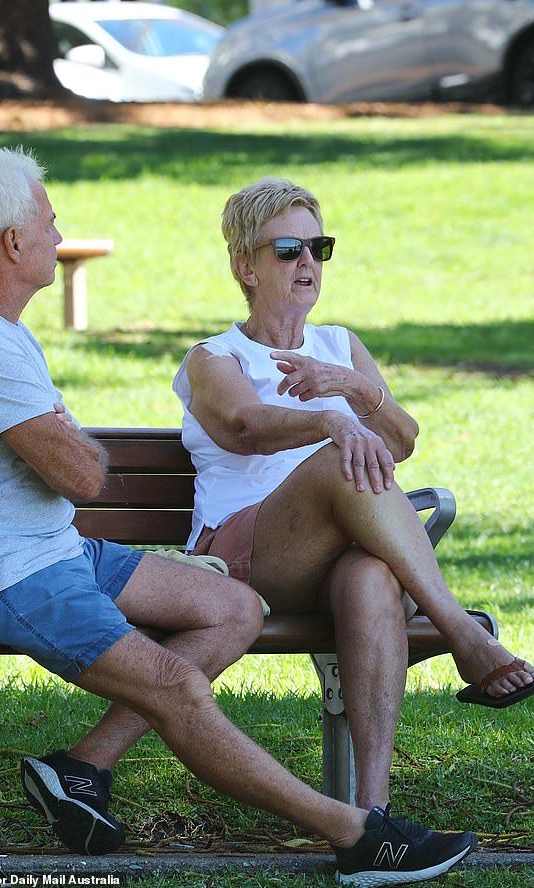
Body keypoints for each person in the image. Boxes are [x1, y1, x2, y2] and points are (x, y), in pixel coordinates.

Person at [0, 149, 478, 888]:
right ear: (14, 243)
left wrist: (58, 432)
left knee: (231, 608)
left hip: (50, 547)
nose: (57, 235)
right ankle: (355, 834)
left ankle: (80, 768)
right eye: (50, 223)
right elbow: (80, 474)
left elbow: (64, 459)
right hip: (7, 571)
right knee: (175, 687)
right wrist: (62, 438)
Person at [172, 176, 534, 811]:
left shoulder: (340, 346)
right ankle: (461, 632)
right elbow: (244, 427)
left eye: (319, 247)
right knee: (341, 461)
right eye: (288, 249)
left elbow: (402, 442)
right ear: (244, 266)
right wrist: (333, 420)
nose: (307, 262)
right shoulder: (214, 357)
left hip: (332, 557)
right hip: (242, 559)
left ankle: (373, 813)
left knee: (371, 576)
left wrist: (358, 392)